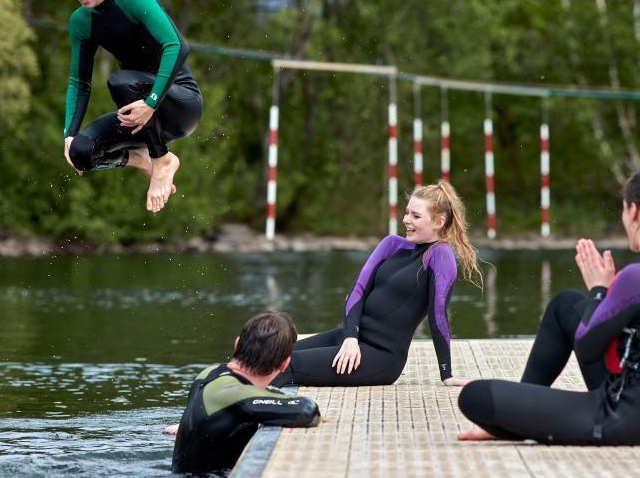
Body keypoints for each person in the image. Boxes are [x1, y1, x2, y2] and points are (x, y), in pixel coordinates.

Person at [458, 167, 640, 445]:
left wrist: (599, 289)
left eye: (623, 210)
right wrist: (610, 294)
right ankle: (518, 414)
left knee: (475, 396)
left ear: (634, 212)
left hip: (618, 418)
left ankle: (511, 420)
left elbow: (586, 348)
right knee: (566, 304)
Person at [272, 182, 483, 388]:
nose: (406, 220)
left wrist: (447, 374)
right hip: (349, 340)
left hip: (380, 356)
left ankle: (263, 408)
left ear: (438, 222)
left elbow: (438, 316)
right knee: (273, 356)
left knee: (289, 366)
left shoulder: (440, 255)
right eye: (407, 212)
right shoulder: (391, 245)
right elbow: (357, 292)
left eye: (415, 216)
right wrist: (350, 338)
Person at [55, 0, 203, 212]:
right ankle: (141, 160)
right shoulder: (81, 22)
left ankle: (162, 159)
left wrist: (151, 103)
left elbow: (178, 46)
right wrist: (69, 134)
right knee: (82, 154)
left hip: (179, 104)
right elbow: (79, 82)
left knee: (120, 81)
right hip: (141, 116)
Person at [170, 311, 321, 475]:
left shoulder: (207, 374)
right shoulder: (237, 394)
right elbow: (306, 410)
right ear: (285, 364)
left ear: (237, 344)